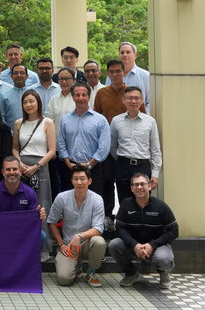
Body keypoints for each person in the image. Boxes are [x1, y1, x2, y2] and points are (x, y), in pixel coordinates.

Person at [108, 171, 179, 288]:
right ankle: (132, 274)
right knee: (114, 244)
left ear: (149, 186)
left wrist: (152, 245)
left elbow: (174, 231)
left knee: (164, 260)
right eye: (135, 185)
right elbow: (120, 228)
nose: (139, 187)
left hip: (157, 246)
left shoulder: (161, 206)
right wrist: (135, 245)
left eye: (142, 184)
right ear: (131, 188)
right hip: (133, 246)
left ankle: (164, 273)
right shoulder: (126, 205)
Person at [93, 59, 143, 222]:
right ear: (107, 74)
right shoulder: (102, 93)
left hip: (128, 148)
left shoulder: (131, 94)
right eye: (112, 72)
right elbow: (96, 118)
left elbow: (142, 117)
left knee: (128, 184)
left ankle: (129, 215)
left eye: (118, 71)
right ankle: (108, 215)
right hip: (107, 147)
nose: (115, 74)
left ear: (124, 73)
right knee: (107, 181)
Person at [47, 164, 107, 287]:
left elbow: (98, 228)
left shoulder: (97, 199)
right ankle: (76, 267)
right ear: (71, 181)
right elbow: (51, 221)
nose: (79, 182)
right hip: (69, 244)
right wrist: (61, 243)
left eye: (82, 178)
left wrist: (80, 236)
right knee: (64, 280)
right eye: (75, 179)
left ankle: (90, 272)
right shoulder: (62, 197)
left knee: (99, 242)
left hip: (87, 243)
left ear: (89, 181)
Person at [0, 157, 47, 259]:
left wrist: (39, 218)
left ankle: (28, 265)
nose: (12, 172)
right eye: (8, 169)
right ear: (2, 172)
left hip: (22, 233)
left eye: (15, 169)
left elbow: (32, 224)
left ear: (20, 171)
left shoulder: (30, 193)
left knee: (41, 236)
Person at [57, 82, 110, 197]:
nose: (81, 98)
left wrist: (89, 165)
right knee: (70, 204)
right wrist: (68, 162)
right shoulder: (65, 120)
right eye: (77, 95)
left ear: (89, 97)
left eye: (84, 95)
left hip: (93, 169)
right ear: (73, 97)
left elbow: (104, 147)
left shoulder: (100, 120)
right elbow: (61, 143)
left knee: (93, 203)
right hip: (70, 168)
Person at [111, 86, 161, 203]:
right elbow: (112, 146)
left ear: (142, 100)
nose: (133, 101)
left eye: (137, 98)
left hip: (143, 166)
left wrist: (155, 174)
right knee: (124, 201)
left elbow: (155, 149)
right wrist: (121, 160)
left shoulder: (150, 121)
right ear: (123, 100)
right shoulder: (116, 121)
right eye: (130, 98)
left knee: (143, 201)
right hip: (123, 166)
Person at [13, 89, 57, 212]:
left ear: (38, 102)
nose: (28, 105)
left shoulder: (47, 122)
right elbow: (15, 148)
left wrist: (35, 167)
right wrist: (20, 164)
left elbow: (52, 151)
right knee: (22, 201)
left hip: (41, 166)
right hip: (22, 167)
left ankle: (43, 231)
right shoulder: (18, 123)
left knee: (42, 201)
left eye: (31, 101)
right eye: (25, 102)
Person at [119, 41, 151, 109]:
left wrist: (144, 118)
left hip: (139, 118)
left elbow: (150, 101)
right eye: (122, 52)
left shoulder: (145, 75)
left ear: (135, 55)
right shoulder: (111, 76)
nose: (125, 55)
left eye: (128, 52)